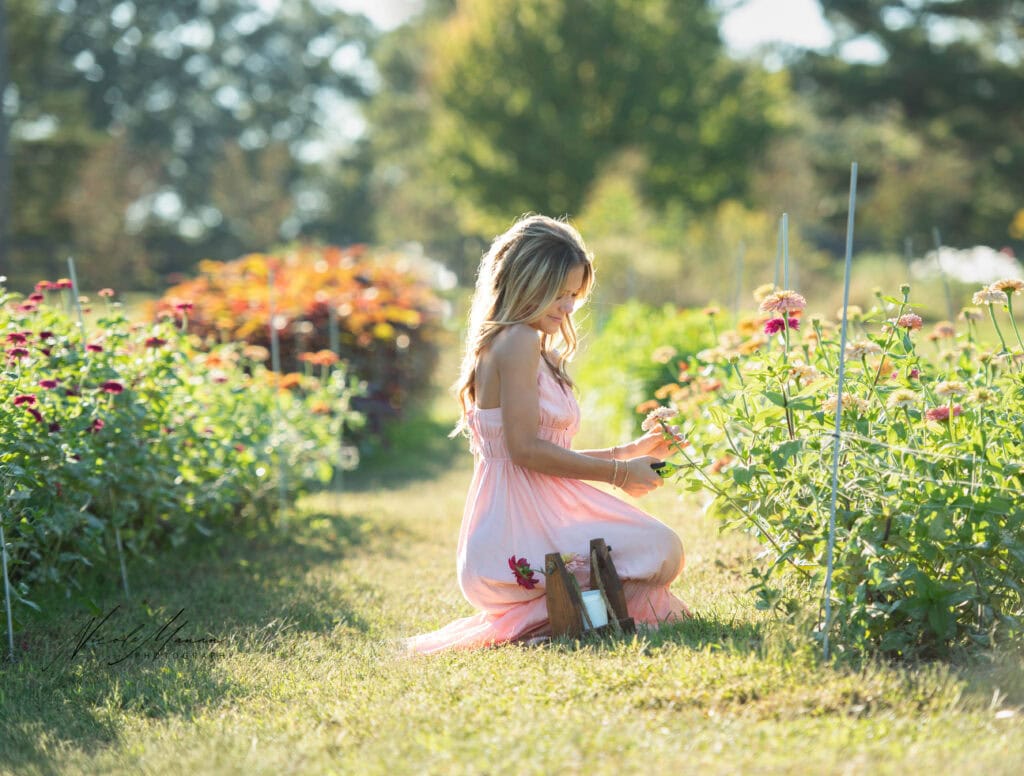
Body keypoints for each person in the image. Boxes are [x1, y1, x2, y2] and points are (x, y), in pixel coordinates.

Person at [405, 214, 689, 654]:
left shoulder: (529, 344)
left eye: (574, 294)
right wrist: (617, 473)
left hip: (538, 509)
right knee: (661, 550)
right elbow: (523, 451)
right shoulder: (516, 340)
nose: (569, 306)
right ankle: (550, 612)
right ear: (524, 285)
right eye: (558, 294)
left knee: (661, 551)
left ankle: (569, 609)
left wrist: (626, 452)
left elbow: (543, 451)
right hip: (513, 530)